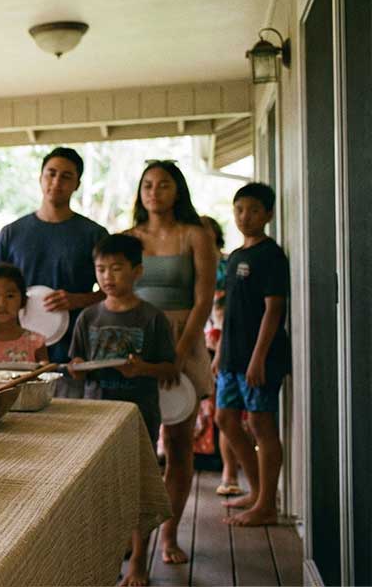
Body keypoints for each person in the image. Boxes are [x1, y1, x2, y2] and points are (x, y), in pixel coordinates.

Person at [68, 234, 178, 587]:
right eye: (101, 269)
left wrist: (142, 368)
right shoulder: (88, 317)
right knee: (101, 490)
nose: (108, 276)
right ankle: (107, 559)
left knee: (137, 489)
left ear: (137, 271)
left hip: (139, 415)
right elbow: (76, 362)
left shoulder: (152, 317)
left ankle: (139, 562)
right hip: (95, 416)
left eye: (117, 268)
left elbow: (170, 369)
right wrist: (76, 367)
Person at [124, 160, 217, 565]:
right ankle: (136, 542)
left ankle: (170, 534)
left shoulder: (196, 234)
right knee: (139, 447)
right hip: (138, 340)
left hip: (185, 339)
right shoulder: (128, 238)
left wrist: (179, 351)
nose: (154, 192)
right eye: (147, 184)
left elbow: (204, 299)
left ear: (177, 190)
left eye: (163, 184)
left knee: (179, 445)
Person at [0, 147, 107, 397]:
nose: (56, 182)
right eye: (51, 173)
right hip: (17, 356)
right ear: (40, 177)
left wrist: (78, 299)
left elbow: (112, 294)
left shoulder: (94, 235)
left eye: (66, 176)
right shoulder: (11, 233)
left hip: (73, 356)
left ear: (77, 184)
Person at [213, 182, 291, 526]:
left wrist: (258, 358)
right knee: (225, 419)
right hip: (231, 357)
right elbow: (232, 312)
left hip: (261, 358)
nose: (245, 217)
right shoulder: (235, 257)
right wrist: (219, 353)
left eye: (254, 210)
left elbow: (274, 310)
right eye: (240, 209)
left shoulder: (271, 256)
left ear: (269, 215)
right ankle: (258, 492)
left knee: (261, 424)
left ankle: (266, 506)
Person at [201, 215, 246, 496]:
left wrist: (220, 348)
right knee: (212, 411)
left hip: (226, 342)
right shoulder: (192, 265)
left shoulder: (228, 265)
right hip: (200, 340)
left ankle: (230, 472)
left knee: (228, 412)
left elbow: (230, 312)